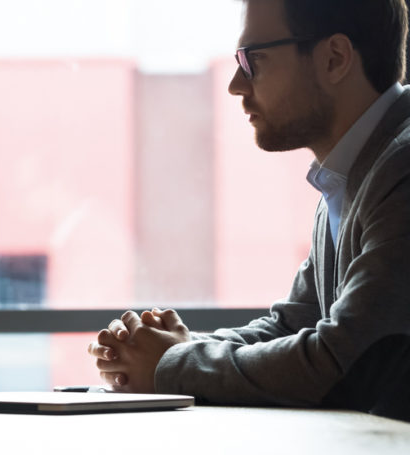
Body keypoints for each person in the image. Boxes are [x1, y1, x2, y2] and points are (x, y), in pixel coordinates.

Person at [87, 0, 410, 420]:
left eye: (252, 59)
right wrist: (173, 351)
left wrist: (173, 364)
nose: (236, 84)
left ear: (334, 59)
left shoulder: (401, 168)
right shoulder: (353, 172)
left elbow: (344, 364)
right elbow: (293, 326)